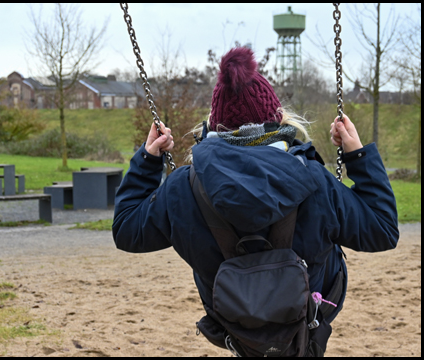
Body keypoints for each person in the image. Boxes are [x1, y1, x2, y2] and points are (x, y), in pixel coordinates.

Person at [112, 47, 399, 356]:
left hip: (233, 323)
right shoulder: (315, 181)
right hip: (310, 314)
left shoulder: (183, 187)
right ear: (277, 119)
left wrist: (147, 160)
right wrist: (357, 155)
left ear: (213, 124)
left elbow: (127, 229)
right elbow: (382, 230)